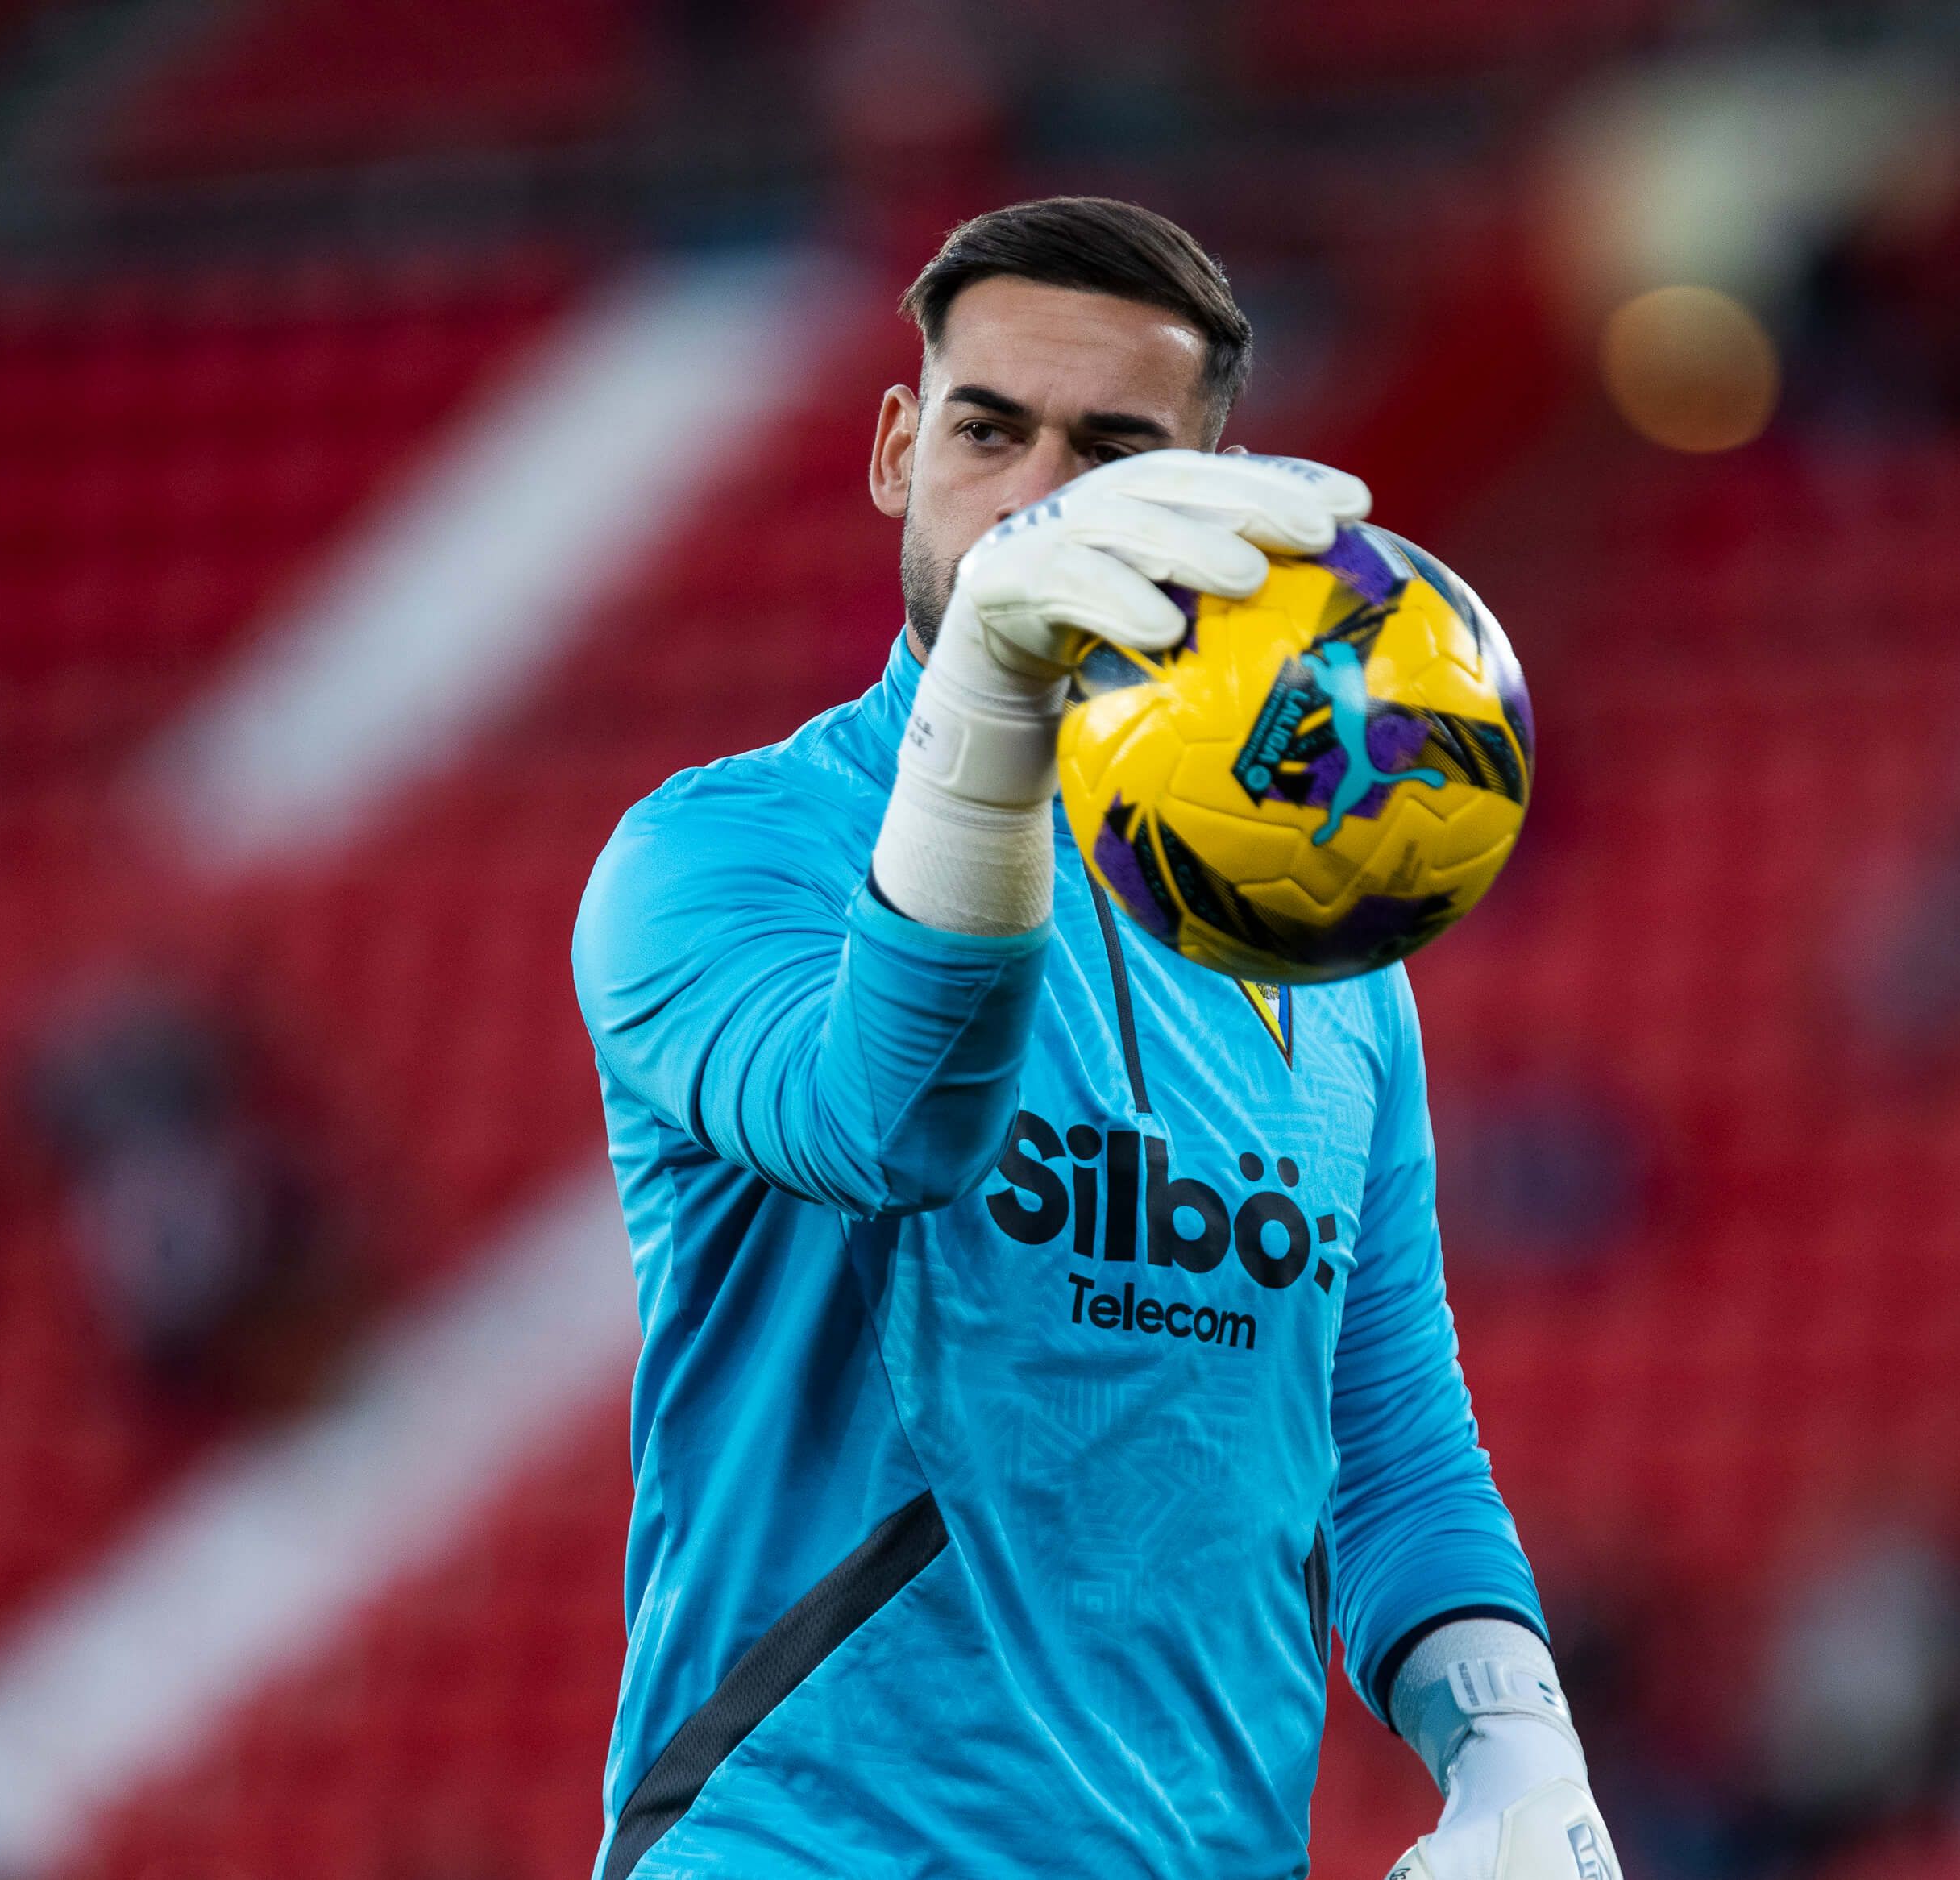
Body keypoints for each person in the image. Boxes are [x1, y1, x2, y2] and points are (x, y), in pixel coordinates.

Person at [573, 198, 1617, 1879]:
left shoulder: (1315, 945)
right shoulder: (717, 858)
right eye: (990, 429)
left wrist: (1511, 1748)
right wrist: (987, 696)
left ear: (1203, 506)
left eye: (1111, 451)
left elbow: (1386, 1421)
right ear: (899, 449)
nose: (1036, 489)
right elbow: (889, 1122)